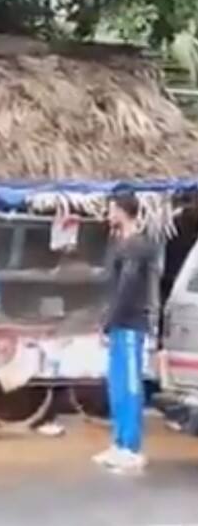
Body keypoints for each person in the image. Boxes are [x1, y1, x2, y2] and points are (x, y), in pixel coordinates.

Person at [92, 193, 158, 474]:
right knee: (117, 386)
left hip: (131, 324)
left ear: (122, 211)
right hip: (118, 322)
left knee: (130, 387)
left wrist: (111, 320)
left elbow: (128, 288)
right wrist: (106, 320)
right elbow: (113, 288)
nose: (108, 215)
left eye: (111, 210)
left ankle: (131, 447)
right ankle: (119, 443)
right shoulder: (119, 244)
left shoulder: (137, 246)